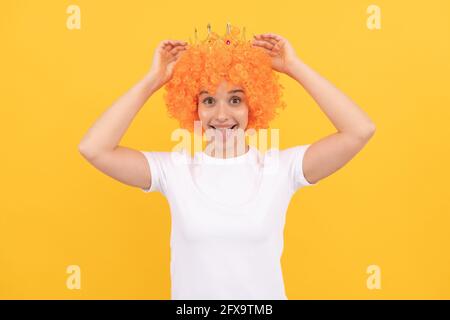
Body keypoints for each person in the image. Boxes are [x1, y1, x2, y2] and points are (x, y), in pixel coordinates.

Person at [78, 25, 376, 300]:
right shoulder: (173, 170)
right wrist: (151, 82)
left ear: (253, 105)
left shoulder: (281, 169)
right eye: (208, 101)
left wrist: (294, 68)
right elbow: (94, 149)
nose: (221, 115)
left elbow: (359, 130)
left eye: (235, 100)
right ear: (194, 108)